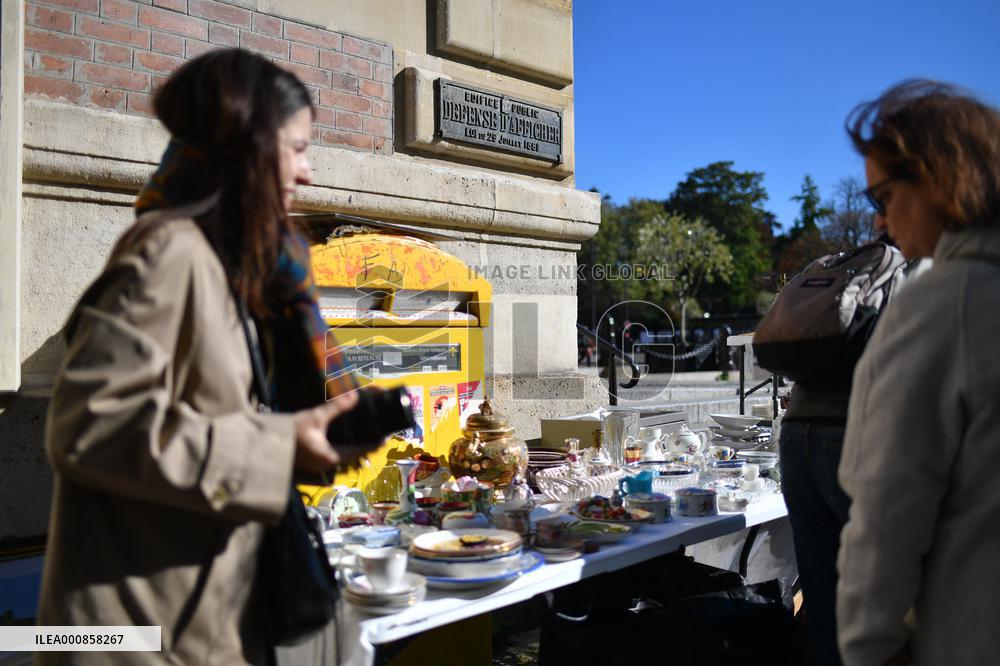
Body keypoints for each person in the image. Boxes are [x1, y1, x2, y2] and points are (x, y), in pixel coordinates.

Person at [36, 49, 382, 665]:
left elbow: (213, 425)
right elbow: (87, 424)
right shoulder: (168, 253)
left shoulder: (238, 270)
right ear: (250, 147)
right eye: (298, 148)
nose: (307, 172)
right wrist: (277, 446)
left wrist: (316, 440)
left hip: (209, 623)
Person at [836, 80, 1000, 665]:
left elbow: (885, 516)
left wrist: (865, 651)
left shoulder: (942, 303)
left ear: (936, 177)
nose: (879, 222)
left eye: (882, 198)